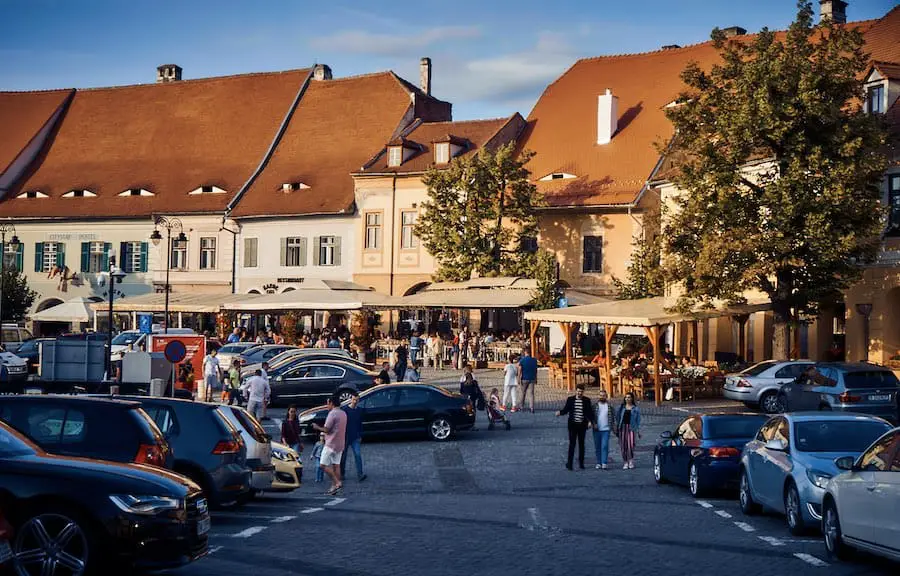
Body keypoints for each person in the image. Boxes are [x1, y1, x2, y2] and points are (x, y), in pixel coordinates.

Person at [312, 395, 347, 496]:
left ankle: (337, 482)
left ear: (331, 403)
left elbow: (326, 429)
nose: (327, 405)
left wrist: (317, 427)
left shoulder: (332, 414)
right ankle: (334, 487)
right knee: (336, 465)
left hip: (331, 443)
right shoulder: (343, 413)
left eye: (328, 403)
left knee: (322, 465)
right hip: (340, 443)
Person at [556, 383, 595, 470]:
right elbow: (566, 409)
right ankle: (569, 463)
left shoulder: (586, 400)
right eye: (578, 391)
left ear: (583, 392)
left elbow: (590, 412)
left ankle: (581, 463)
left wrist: (590, 422)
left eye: (581, 392)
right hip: (573, 425)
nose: (579, 393)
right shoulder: (570, 399)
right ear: (575, 391)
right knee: (572, 444)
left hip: (582, 424)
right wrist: (560, 412)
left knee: (581, 444)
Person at [340, 392, 367, 482]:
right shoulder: (345, 410)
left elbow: (360, 424)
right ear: (351, 399)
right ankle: (342, 473)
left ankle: (360, 474)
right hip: (345, 436)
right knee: (343, 457)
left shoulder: (359, 410)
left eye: (356, 400)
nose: (355, 401)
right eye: (354, 399)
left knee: (358, 455)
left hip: (355, 436)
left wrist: (360, 435)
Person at [592, 389, 617, 469]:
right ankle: (599, 462)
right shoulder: (594, 406)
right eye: (601, 395)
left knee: (604, 446)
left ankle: (604, 462)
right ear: (598, 396)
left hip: (606, 429)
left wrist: (614, 426)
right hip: (596, 429)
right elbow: (591, 416)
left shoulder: (610, 406)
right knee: (597, 446)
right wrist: (592, 423)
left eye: (604, 395)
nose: (602, 397)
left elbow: (613, 417)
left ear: (606, 397)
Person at [617, 392, 642, 470]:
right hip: (623, 428)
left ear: (632, 399)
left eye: (629, 397)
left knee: (631, 445)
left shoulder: (635, 408)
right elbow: (618, 418)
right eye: (626, 397)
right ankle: (625, 462)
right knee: (623, 446)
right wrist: (617, 427)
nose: (627, 399)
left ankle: (630, 461)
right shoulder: (622, 407)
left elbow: (638, 420)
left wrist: (638, 431)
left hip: (632, 428)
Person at [518, 347, 538, 414]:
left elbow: (520, 370)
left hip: (524, 378)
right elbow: (536, 370)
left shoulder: (522, 360)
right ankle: (532, 408)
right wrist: (536, 378)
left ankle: (521, 407)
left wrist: (518, 378)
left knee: (523, 393)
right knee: (531, 394)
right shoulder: (534, 360)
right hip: (532, 378)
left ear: (525, 352)